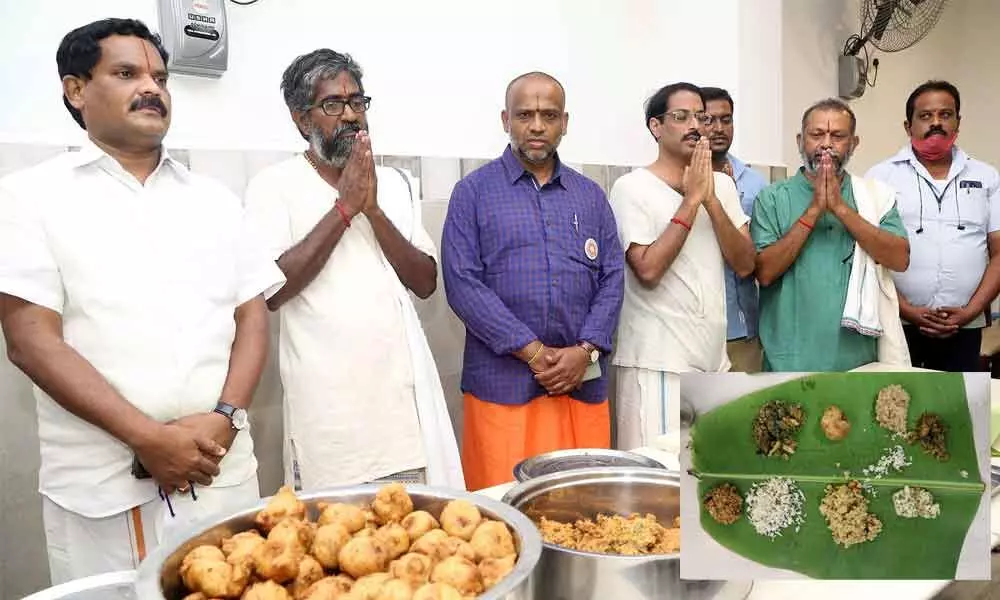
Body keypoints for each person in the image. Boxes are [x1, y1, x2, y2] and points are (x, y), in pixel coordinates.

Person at [0, 18, 285, 584]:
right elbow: (30, 340)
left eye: (160, 75)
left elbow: (251, 316)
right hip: (104, 486)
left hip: (217, 469)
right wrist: (148, 437)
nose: (151, 87)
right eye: (126, 73)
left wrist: (227, 417)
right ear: (76, 90)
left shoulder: (214, 200)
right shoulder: (30, 196)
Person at [243, 49, 464, 491]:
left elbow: (424, 282)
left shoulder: (395, 184)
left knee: (410, 543)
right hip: (329, 417)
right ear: (302, 120)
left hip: (401, 412)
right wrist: (344, 208)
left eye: (357, 103)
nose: (350, 116)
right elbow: (272, 291)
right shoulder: (273, 186)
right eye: (333, 105)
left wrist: (373, 209)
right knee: (338, 547)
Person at [441, 71, 625, 491]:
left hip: (581, 383)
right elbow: (462, 284)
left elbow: (613, 277)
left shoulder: (590, 195)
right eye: (525, 114)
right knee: (503, 509)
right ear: (506, 120)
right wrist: (534, 352)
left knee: (585, 504)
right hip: (502, 385)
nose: (537, 126)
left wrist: (585, 350)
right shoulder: (473, 193)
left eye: (549, 115)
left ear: (565, 122)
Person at [609, 82, 755, 449]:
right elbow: (648, 269)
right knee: (660, 487)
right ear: (656, 127)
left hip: (713, 360)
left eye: (700, 117)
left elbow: (745, 263)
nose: (695, 125)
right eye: (681, 116)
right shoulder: (632, 188)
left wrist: (711, 200)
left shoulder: (721, 186)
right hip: (657, 362)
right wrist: (691, 201)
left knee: (707, 479)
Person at [752, 98, 910, 372]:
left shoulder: (874, 196)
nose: (826, 144)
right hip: (788, 360)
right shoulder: (772, 198)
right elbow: (764, 272)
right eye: (817, 135)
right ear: (801, 141)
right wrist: (814, 210)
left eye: (837, 136)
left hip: (859, 361)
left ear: (853, 143)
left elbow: (899, 259)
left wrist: (839, 208)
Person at [866, 81, 1000, 372]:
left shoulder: (987, 177)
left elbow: (999, 253)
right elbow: (868, 255)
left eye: (945, 114)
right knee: (897, 410)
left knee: (956, 410)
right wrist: (907, 310)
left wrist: (970, 312)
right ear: (908, 125)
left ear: (958, 122)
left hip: (965, 327)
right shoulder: (879, 177)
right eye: (925, 116)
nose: (936, 123)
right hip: (896, 323)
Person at [701, 86, 769, 373]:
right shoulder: (675, 180)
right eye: (708, 120)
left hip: (742, 328)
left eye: (726, 120)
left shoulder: (754, 184)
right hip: (696, 330)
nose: (718, 128)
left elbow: (760, 257)